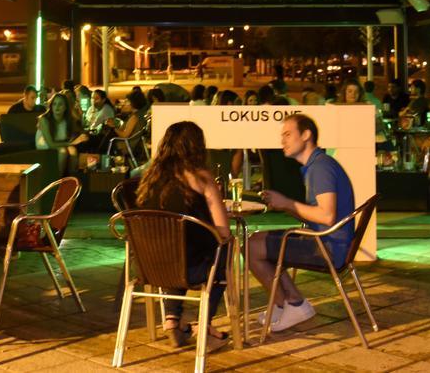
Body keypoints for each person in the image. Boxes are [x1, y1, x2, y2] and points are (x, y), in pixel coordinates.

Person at [247, 114, 355, 333]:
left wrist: (287, 203)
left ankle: (294, 303)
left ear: (306, 135)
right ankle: (282, 304)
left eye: (288, 134)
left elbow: (326, 216)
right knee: (256, 240)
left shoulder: (320, 168)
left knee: (251, 247)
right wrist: (285, 206)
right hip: (328, 241)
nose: (282, 141)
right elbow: (320, 216)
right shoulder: (318, 164)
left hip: (328, 248)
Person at [136, 121, 231, 351]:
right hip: (190, 269)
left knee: (175, 248)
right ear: (197, 147)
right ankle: (205, 328)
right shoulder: (201, 178)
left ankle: (172, 321)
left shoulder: (150, 179)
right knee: (223, 250)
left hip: (150, 268)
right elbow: (224, 231)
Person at [36, 93, 89, 176]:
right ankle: (59, 179)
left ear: (65, 107)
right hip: (45, 143)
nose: (57, 107)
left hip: (60, 142)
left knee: (73, 151)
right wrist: (72, 143)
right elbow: (51, 144)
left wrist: (81, 137)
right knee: (63, 151)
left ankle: (71, 178)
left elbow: (77, 131)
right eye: (54, 104)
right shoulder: (44, 119)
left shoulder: (67, 120)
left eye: (60, 104)